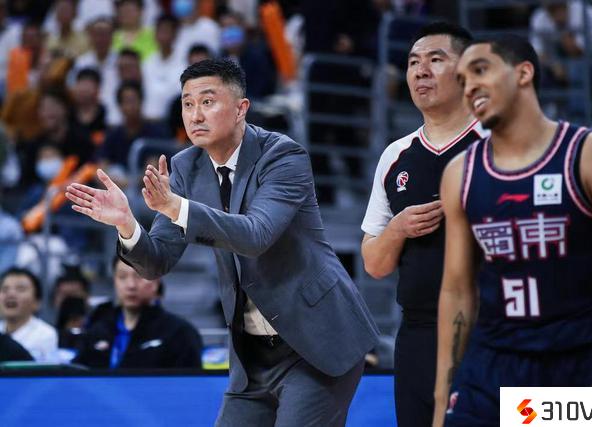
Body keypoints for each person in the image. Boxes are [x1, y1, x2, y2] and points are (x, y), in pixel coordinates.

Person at [66, 58, 379, 426]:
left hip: (315, 342)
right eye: (187, 104)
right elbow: (157, 260)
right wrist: (126, 223)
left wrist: (175, 206)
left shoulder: (282, 155)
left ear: (241, 108)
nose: (195, 115)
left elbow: (256, 235)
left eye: (208, 101)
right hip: (253, 356)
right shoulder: (186, 167)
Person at [432, 35, 592, 426]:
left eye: (480, 70)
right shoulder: (459, 173)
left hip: (579, 361)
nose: (469, 87)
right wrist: (442, 397)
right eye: (462, 80)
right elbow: (456, 289)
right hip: (492, 364)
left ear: (524, 73)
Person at [360, 21, 484, 427]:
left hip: (490, 327)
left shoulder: (495, 144)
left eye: (435, 59)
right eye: (413, 62)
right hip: (418, 333)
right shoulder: (395, 155)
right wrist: (398, 229)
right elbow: (374, 264)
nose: (420, 71)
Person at [73, 257, 201, 369]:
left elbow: (190, 384)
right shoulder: (97, 330)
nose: (131, 285)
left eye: (139, 276)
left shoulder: (179, 333)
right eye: (122, 277)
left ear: (156, 281)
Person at [0, 267, 58, 362]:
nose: (10, 294)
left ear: (37, 302)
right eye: (5, 289)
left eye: (20, 289)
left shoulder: (45, 334)